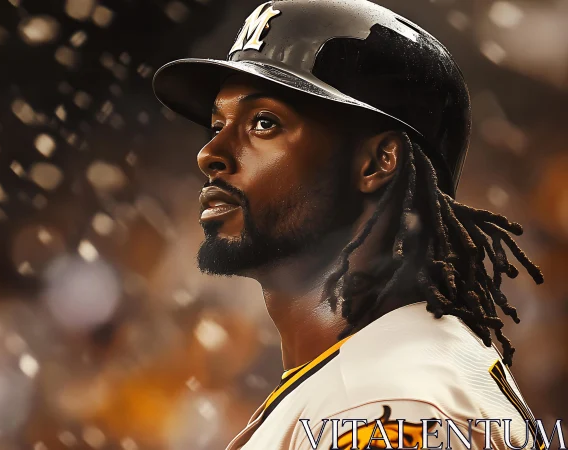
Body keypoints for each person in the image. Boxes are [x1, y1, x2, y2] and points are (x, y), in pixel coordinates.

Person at [152, 1, 546, 449]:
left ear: (377, 163)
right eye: (217, 124)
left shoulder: (383, 405)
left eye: (263, 123)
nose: (210, 153)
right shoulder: (381, 374)